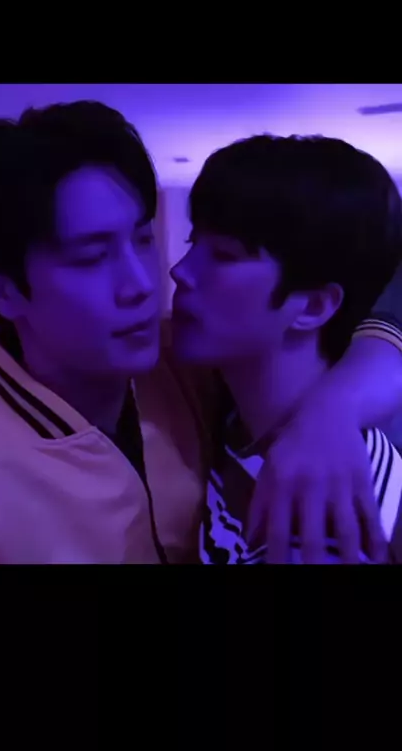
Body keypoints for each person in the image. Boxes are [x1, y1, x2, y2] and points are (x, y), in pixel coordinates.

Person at [0, 103, 400, 562]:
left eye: (144, 238)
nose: (146, 283)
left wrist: (332, 412)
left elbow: (363, 292)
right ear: (1, 291)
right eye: (93, 257)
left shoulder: (191, 365)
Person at [170, 134, 402, 563]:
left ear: (313, 306)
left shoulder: (339, 504)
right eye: (192, 244)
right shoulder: (230, 419)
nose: (179, 271)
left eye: (224, 255)